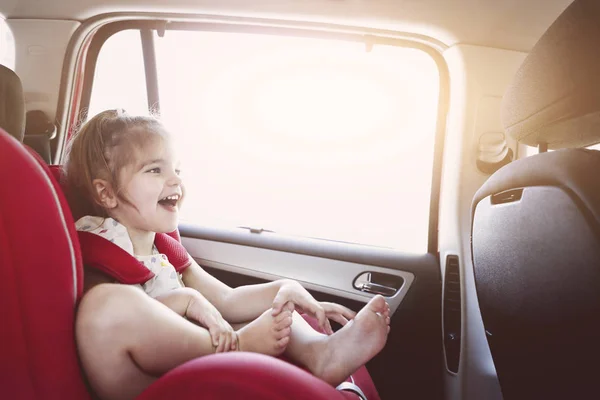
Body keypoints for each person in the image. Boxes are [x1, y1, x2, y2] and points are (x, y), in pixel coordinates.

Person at [66, 109, 391, 400]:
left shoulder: (163, 247)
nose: (175, 179)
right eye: (154, 170)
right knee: (106, 305)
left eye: (176, 169)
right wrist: (189, 301)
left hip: (192, 361)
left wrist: (281, 289)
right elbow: (131, 320)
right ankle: (238, 345)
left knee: (279, 310)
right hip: (144, 383)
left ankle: (321, 354)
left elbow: (227, 299)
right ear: (106, 193)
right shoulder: (101, 240)